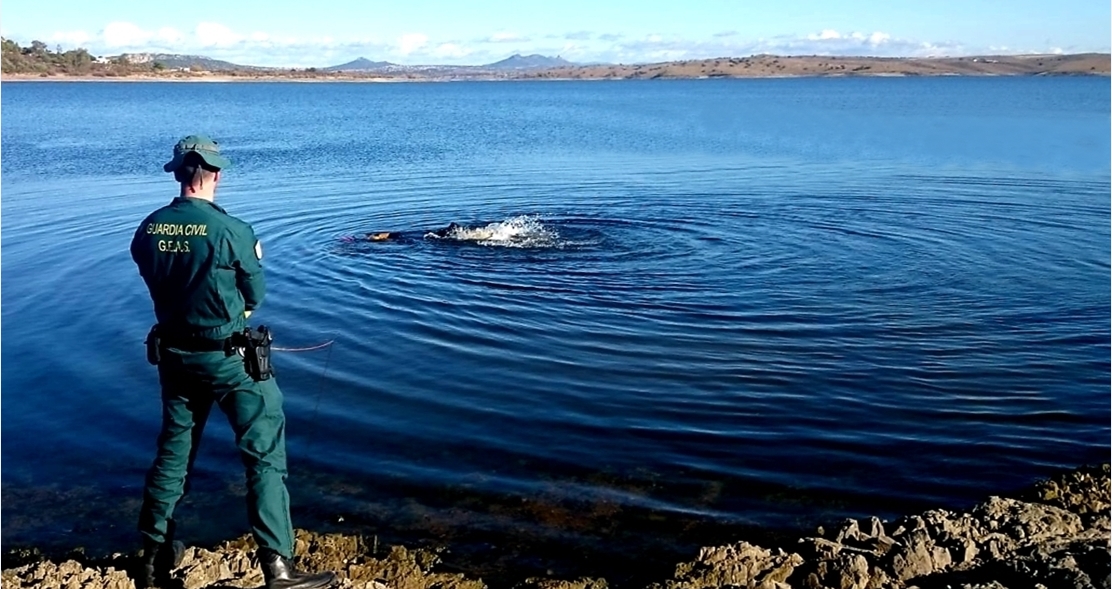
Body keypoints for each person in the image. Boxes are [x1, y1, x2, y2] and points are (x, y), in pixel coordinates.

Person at [130, 135, 336, 589]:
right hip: (230, 361)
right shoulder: (233, 230)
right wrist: (232, 315)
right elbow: (254, 295)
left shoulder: (148, 228)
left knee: (173, 451)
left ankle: (151, 558)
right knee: (264, 456)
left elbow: (155, 280)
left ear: (177, 173)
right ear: (216, 175)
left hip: (174, 358)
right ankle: (278, 568)